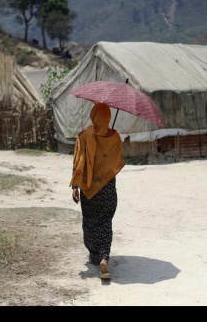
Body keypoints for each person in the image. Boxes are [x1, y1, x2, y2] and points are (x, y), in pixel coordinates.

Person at [70, 102, 125, 280]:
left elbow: (78, 162)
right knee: (105, 222)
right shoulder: (114, 137)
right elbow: (118, 161)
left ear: (93, 116)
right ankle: (104, 257)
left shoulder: (84, 136)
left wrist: (75, 187)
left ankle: (95, 255)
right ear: (108, 118)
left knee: (90, 222)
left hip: (88, 189)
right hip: (107, 189)